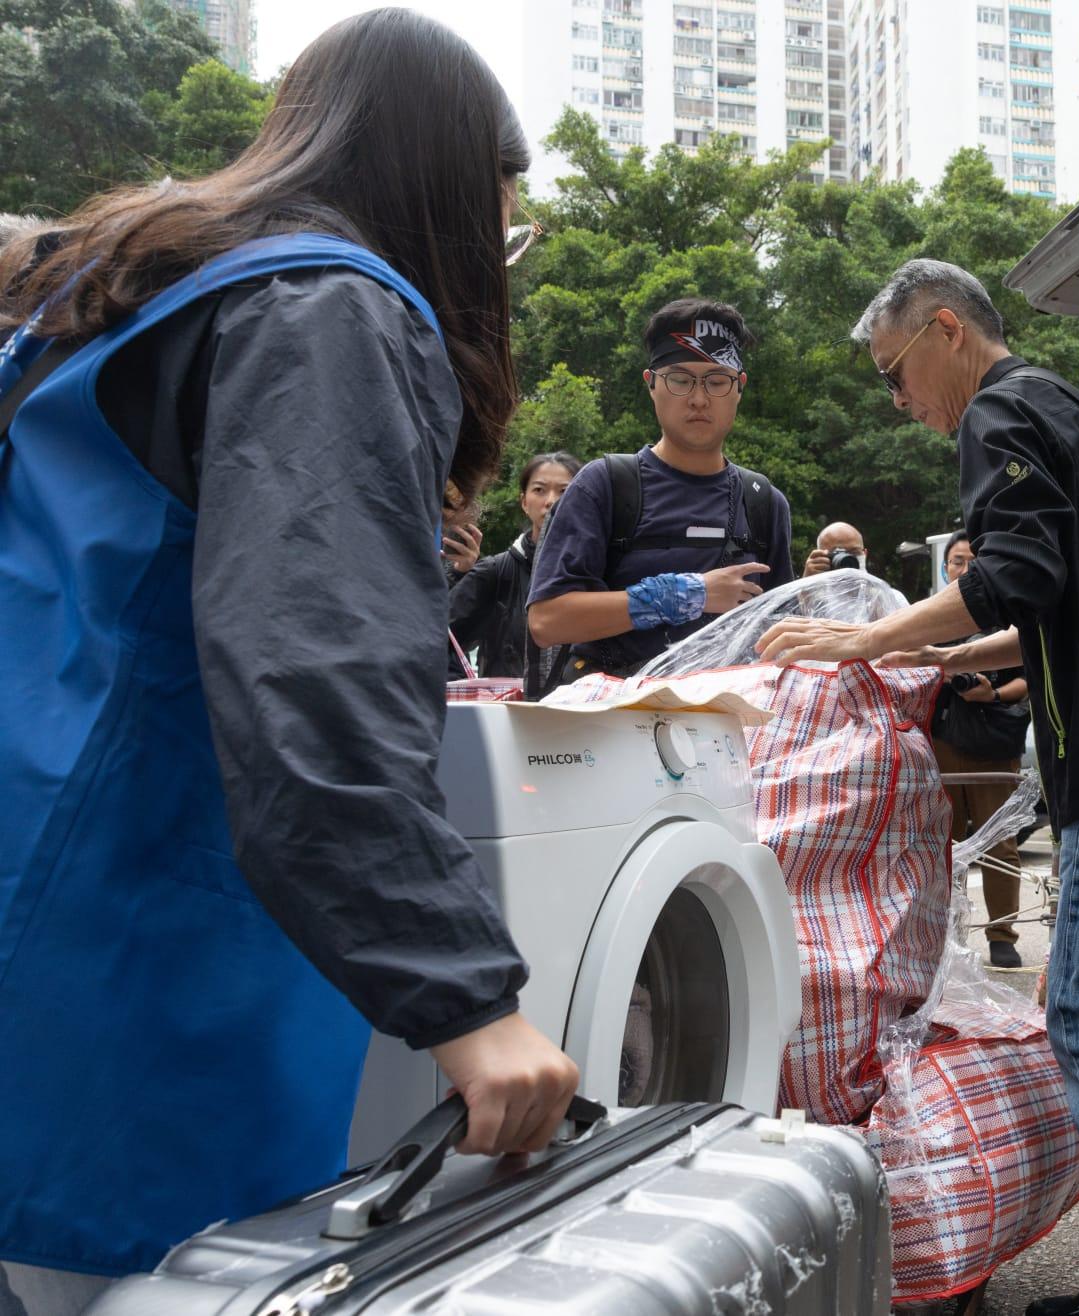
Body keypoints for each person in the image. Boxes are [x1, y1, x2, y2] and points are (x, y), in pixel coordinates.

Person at [0, 11, 579, 1310]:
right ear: (442, 178)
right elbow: (310, 673)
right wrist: (469, 1005)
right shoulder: (330, 307)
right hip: (136, 969)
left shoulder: (127, 296)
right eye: (503, 201)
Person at [755, 258, 1079, 1316]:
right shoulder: (1066, 402)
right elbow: (1054, 596)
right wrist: (934, 661)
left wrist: (866, 635)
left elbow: (1012, 574)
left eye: (895, 374)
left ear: (945, 329)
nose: (901, 405)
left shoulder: (997, 412)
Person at [527, 299, 794, 682]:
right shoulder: (605, 485)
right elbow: (546, 620)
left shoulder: (764, 502)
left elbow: (780, 631)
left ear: (739, 389)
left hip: (723, 722)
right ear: (651, 384)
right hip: (612, 721)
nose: (699, 399)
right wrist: (686, 595)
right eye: (681, 380)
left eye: (717, 381)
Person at [929, 533, 1031, 969]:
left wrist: (991, 694)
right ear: (945, 568)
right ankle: (938, 935)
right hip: (941, 743)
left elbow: (1032, 674)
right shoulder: (930, 617)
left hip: (994, 743)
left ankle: (1001, 935)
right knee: (939, 844)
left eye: (975, 560)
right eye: (957, 561)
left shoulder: (1014, 613)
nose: (965, 568)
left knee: (1000, 844)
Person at [449, 451, 581, 678]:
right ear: (524, 502)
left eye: (564, 491)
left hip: (581, 710)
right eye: (539, 490)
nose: (551, 501)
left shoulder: (602, 571)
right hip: (509, 710)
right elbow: (438, 637)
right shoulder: (496, 572)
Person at [803, 520, 870, 575]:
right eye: (836, 554)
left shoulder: (878, 589)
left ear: (865, 554)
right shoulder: (811, 589)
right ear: (818, 558)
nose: (846, 559)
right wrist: (807, 584)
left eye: (854, 552)